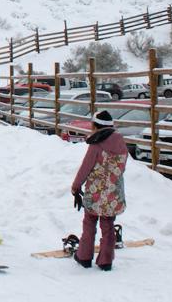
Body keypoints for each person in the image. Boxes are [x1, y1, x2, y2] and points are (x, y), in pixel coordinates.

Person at [71, 110, 128, 271]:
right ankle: (105, 261)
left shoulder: (96, 145)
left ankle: (84, 256)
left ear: (96, 126)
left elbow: (85, 168)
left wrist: (76, 186)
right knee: (108, 225)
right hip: (114, 194)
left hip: (95, 193)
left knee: (89, 223)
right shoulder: (121, 143)